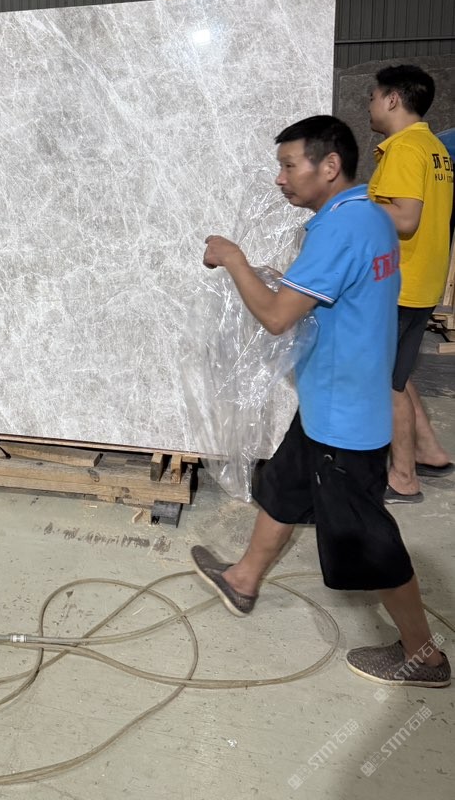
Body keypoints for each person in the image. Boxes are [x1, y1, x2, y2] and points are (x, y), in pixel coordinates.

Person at [192, 115, 449, 688]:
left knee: (370, 540)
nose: (280, 178)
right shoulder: (371, 214)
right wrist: (278, 279)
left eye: (289, 165)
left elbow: (278, 317)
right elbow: (327, 292)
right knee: (285, 487)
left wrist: (233, 260)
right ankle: (243, 579)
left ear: (329, 166)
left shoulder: (338, 230)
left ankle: (423, 657)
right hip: (341, 399)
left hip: (343, 418)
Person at [368, 65, 455, 503]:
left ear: (392, 99)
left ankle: (402, 478)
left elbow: (404, 218)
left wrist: (349, 203)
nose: (369, 105)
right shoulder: (433, 147)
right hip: (422, 280)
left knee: (387, 383)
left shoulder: (403, 148)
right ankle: (429, 451)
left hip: (397, 284)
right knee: (399, 371)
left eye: (372, 97)